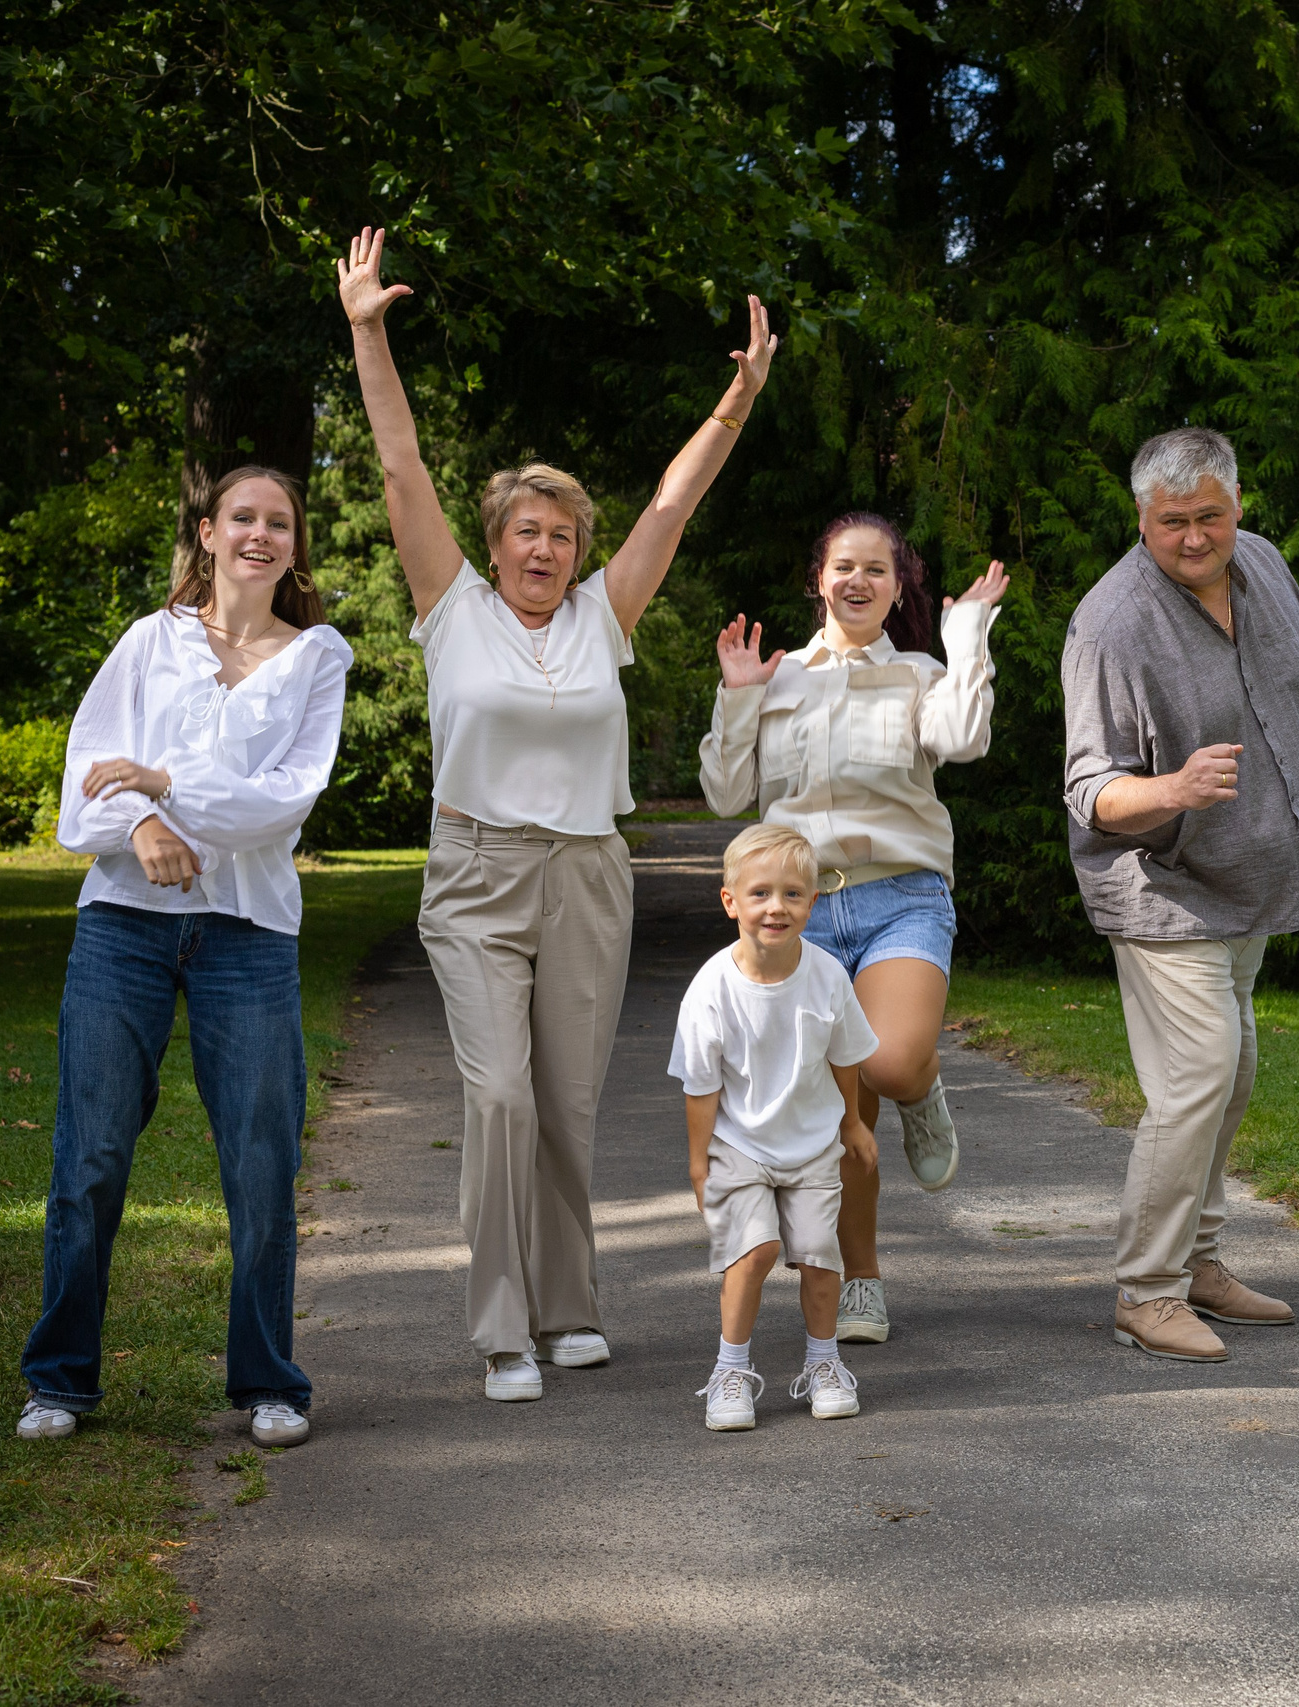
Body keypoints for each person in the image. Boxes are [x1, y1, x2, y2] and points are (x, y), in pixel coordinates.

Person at [337, 225, 779, 1400]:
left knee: (569, 1107)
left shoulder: (601, 617)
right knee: (497, 1097)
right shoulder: (451, 606)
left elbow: (672, 508)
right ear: (493, 546)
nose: (545, 547)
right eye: (526, 531)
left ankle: (570, 1306)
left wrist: (736, 402)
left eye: (563, 534)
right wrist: (366, 331)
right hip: (475, 872)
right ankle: (500, 1331)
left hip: (587, 872)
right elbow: (401, 470)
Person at [22, 464, 350, 1450]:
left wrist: (161, 787)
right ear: (207, 533)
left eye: (278, 522)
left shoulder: (316, 657)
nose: (259, 534)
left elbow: (285, 800)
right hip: (122, 928)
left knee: (260, 1164)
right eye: (242, 518)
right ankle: (60, 1383)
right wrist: (142, 826)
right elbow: (86, 786)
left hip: (248, 938)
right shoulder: (148, 642)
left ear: (294, 543)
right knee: (90, 1156)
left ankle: (268, 1383)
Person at [699, 518, 1006, 1345]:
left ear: (897, 588)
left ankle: (923, 1088)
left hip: (900, 896)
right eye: (844, 567)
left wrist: (967, 632)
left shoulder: (918, 674)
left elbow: (960, 738)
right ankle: (862, 1277)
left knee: (893, 1060)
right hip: (799, 916)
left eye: (877, 569)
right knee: (841, 1122)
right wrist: (737, 694)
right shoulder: (778, 676)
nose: (859, 581)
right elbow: (729, 795)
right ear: (819, 579)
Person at [1061, 426, 1299, 1363]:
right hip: (1162, 887)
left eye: (1210, 515)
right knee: (1196, 1078)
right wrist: (1171, 789)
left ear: (1239, 504)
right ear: (1142, 517)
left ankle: (1200, 1264)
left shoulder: (1264, 567)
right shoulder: (1112, 623)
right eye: (1172, 522)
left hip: (1247, 884)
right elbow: (1089, 788)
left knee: (1232, 1076)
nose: (1194, 537)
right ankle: (1148, 1288)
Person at [670, 824, 881, 1431]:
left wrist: (853, 1125)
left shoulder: (827, 976)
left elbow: (845, 1057)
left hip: (812, 1143)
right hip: (738, 1143)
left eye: (793, 894)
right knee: (753, 1250)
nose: (776, 907)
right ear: (730, 901)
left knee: (820, 1259)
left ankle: (824, 1363)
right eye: (760, 893)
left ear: (813, 903)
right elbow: (700, 1084)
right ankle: (730, 1371)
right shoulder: (712, 989)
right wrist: (698, 1159)